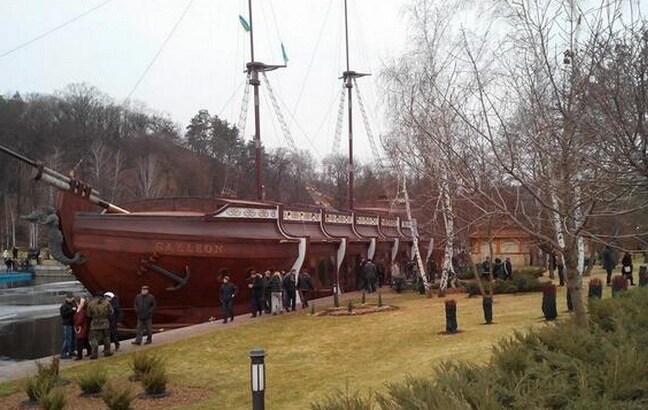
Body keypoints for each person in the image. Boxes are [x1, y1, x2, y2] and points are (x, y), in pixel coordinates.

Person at [87, 291, 114, 359]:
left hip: (95, 323)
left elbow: (88, 314)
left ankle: (94, 354)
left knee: (94, 339)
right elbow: (111, 312)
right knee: (106, 338)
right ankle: (107, 352)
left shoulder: (91, 304)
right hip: (105, 323)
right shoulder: (106, 303)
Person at [59, 293, 77, 359]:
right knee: (67, 339)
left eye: (72, 298)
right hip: (67, 324)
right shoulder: (64, 306)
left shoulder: (73, 304)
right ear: (66, 298)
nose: (71, 299)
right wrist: (72, 310)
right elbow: (63, 315)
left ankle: (71, 351)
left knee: (72, 338)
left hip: (72, 323)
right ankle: (63, 353)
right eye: (69, 298)